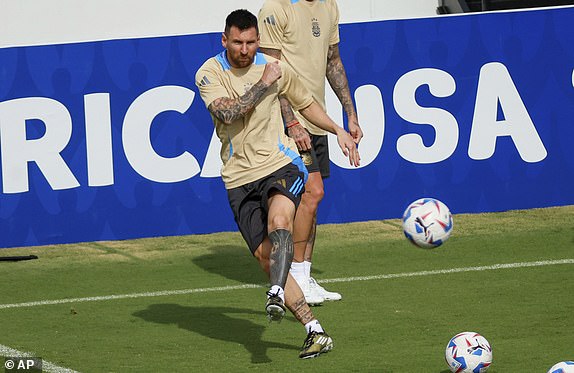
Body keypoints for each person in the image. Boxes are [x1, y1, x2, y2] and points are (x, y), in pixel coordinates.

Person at [195, 9, 360, 359]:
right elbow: (228, 113)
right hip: (239, 177)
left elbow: (306, 104)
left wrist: (338, 129)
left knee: (280, 221)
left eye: (251, 42)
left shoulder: (274, 68)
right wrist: (264, 81)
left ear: (258, 40)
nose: (245, 49)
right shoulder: (209, 73)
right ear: (224, 40)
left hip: (280, 163)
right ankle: (315, 331)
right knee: (266, 257)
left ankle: (274, 292)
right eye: (237, 42)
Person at [258, 0, 363, 305]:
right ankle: (297, 279)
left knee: (311, 200)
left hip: (314, 116)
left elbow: (334, 62)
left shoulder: (329, 6)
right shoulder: (275, 9)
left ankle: (303, 276)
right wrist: (290, 121)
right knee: (312, 193)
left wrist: (350, 114)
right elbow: (270, 72)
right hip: (284, 122)